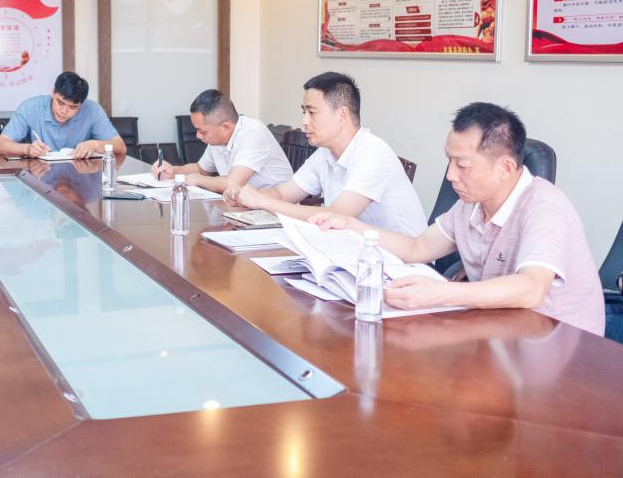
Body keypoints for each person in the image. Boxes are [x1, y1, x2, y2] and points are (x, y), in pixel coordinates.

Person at [312, 102, 605, 336]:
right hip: (502, 333)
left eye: (462, 165)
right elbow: (416, 248)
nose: (451, 175)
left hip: (561, 348)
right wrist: (350, 225)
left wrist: (440, 293)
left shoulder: (544, 207)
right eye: (448, 161)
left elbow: (531, 289)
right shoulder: (471, 205)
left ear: (505, 168)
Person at [225, 72, 426, 236]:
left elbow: (337, 215)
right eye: (304, 112)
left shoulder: (372, 153)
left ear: (342, 115)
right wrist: (245, 195)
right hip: (351, 249)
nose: (304, 121)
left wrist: (262, 202)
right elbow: (284, 194)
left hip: (399, 262)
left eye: (312, 112)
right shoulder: (325, 153)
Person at [151, 89, 293, 193]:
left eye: (202, 131)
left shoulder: (253, 133)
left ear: (226, 127)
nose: (198, 136)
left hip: (276, 212)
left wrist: (197, 179)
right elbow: (202, 169)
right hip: (245, 206)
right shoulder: (217, 139)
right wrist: (174, 171)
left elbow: (232, 183)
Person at [0, 71, 126, 159]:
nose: (64, 111)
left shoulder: (92, 110)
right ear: (53, 92)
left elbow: (120, 146)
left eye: (73, 107)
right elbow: (0, 145)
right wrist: (27, 149)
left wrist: (95, 145)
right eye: (60, 102)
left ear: (82, 104)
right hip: (39, 178)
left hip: (78, 178)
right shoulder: (30, 108)